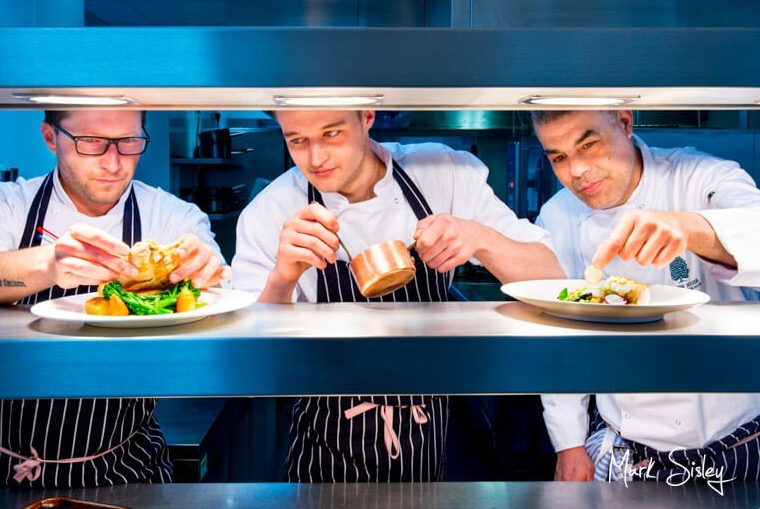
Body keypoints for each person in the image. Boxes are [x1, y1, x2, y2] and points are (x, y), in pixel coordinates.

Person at [232, 109, 563, 482]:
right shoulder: (271, 211)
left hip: (428, 433)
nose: (316, 158)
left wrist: (478, 237)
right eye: (297, 140)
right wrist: (282, 278)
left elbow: (550, 276)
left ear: (367, 117)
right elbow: (249, 371)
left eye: (332, 134)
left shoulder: (442, 173)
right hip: (326, 441)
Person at [0, 109, 230, 488]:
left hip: (126, 465)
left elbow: (215, 301)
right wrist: (49, 265)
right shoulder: (2, 203)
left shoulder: (172, 216)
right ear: (49, 136)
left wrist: (204, 277)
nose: (113, 163)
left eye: (129, 142)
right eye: (90, 142)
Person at [531, 109, 760, 482]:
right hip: (628, 449)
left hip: (736, 443)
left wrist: (688, 227)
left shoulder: (699, 176)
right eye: (558, 157)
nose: (575, 171)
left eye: (588, 145)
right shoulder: (557, 216)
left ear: (624, 122)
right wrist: (568, 442)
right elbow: (561, 333)